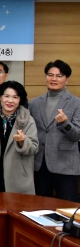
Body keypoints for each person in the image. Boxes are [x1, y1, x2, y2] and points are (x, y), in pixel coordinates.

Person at [29, 59, 80, 202]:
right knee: (40, 207)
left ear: (66, 79)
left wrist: (65, 123)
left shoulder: (77, 103)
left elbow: (77, 135)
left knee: (68, 208)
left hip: (66, 165)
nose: (54, 79)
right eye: (50, 75)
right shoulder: (34, 103)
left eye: (59, 76)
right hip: (39, 165)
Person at [0, 81, 38, 195]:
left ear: (20, 100)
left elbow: (34, 148)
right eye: (6, 96)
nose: (10, 101)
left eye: (15, 97)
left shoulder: (27, 120)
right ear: (0, 97)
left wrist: (23, 141)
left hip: (18, 176)